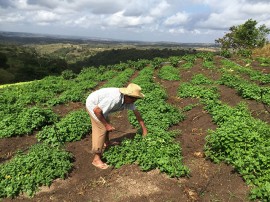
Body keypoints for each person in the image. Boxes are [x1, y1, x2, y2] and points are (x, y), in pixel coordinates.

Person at [86, 83, 147, 169]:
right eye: (133, 99)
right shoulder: (114, 99)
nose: (134, 101)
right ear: (127, 95)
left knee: (106, 121)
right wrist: (107, 126)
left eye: (136, 99)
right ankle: (96, 159)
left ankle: (106, 143)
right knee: (102, 128)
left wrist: (144, 129)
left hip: (100, 107)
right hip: (93, 105)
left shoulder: (129, 100)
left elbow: (137, 114)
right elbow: (97, 111)